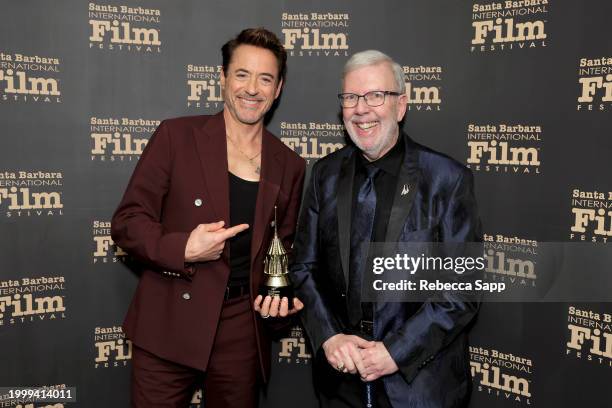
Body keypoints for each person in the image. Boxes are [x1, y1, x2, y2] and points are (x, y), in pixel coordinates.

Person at [111, 28, 305, 408]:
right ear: (222, 78)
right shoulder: (175, 136)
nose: (252, 88)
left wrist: (279, 302)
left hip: (241, 330)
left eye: (265, 78)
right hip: (170, 318)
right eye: (242, 74)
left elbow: (282, 251)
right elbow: (128, 221)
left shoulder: (291, 165)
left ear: (278, 88)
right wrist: (183, 246)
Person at [290, 50, 481, 408]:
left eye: (376, 95)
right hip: (340, 383)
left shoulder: (447, 180)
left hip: (419, 386)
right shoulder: (325, 174)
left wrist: (396, 351)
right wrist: (330, 337)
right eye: (351, 97)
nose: (361, 109)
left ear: (401, 105)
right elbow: (304, 267)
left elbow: (462, 289)